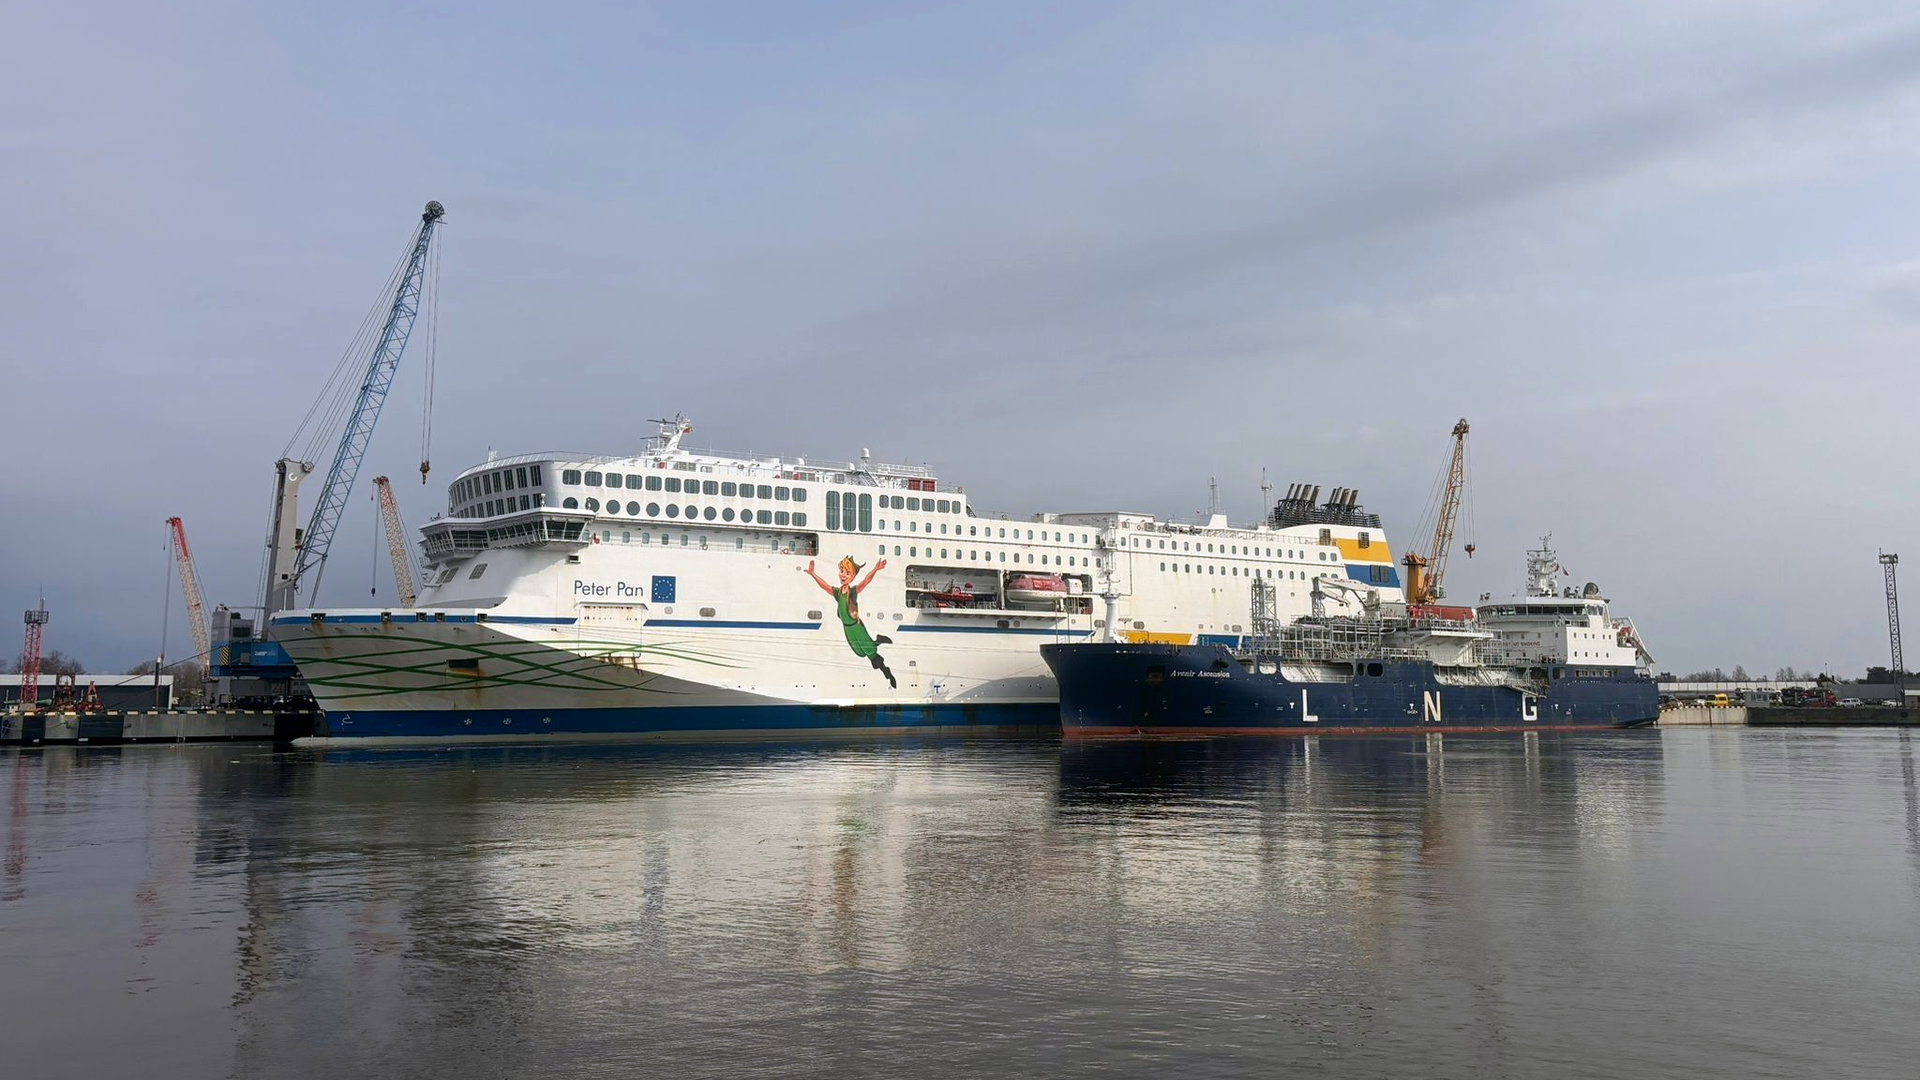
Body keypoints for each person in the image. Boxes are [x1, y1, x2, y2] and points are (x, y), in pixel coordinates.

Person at [801, 556, 896, 688]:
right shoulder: (838, 593)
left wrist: (875, 569)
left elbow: (865, 581)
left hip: (856, 627)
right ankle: (878, 641)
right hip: (848, 629)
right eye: (842, 571)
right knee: (860, 652)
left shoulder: (852, 592)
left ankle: (888, 674)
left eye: (847, 573)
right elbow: (825, 587)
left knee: (870, 652)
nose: (843, 575)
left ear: (853, 576)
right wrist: (813, 574)